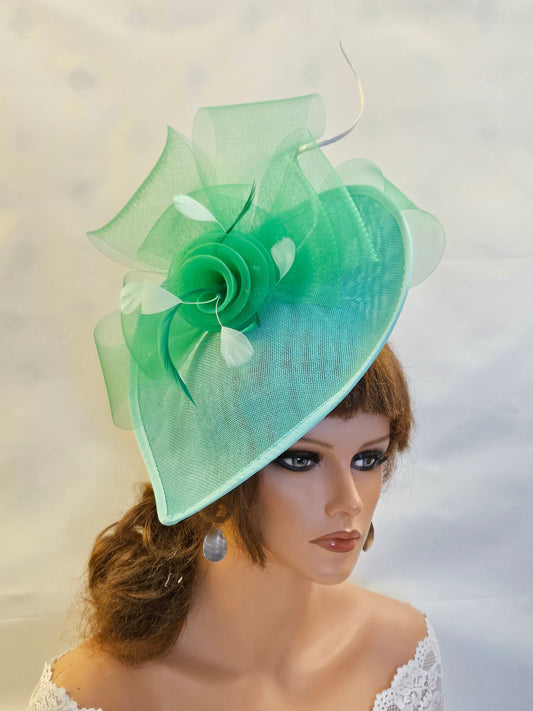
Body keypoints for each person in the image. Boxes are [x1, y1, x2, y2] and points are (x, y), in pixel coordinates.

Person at [28, 86, 445, 710]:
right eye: (301, 459)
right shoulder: (94, 695)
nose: (350, 500)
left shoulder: (399, 658)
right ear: (223, 467)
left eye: (369, 458)